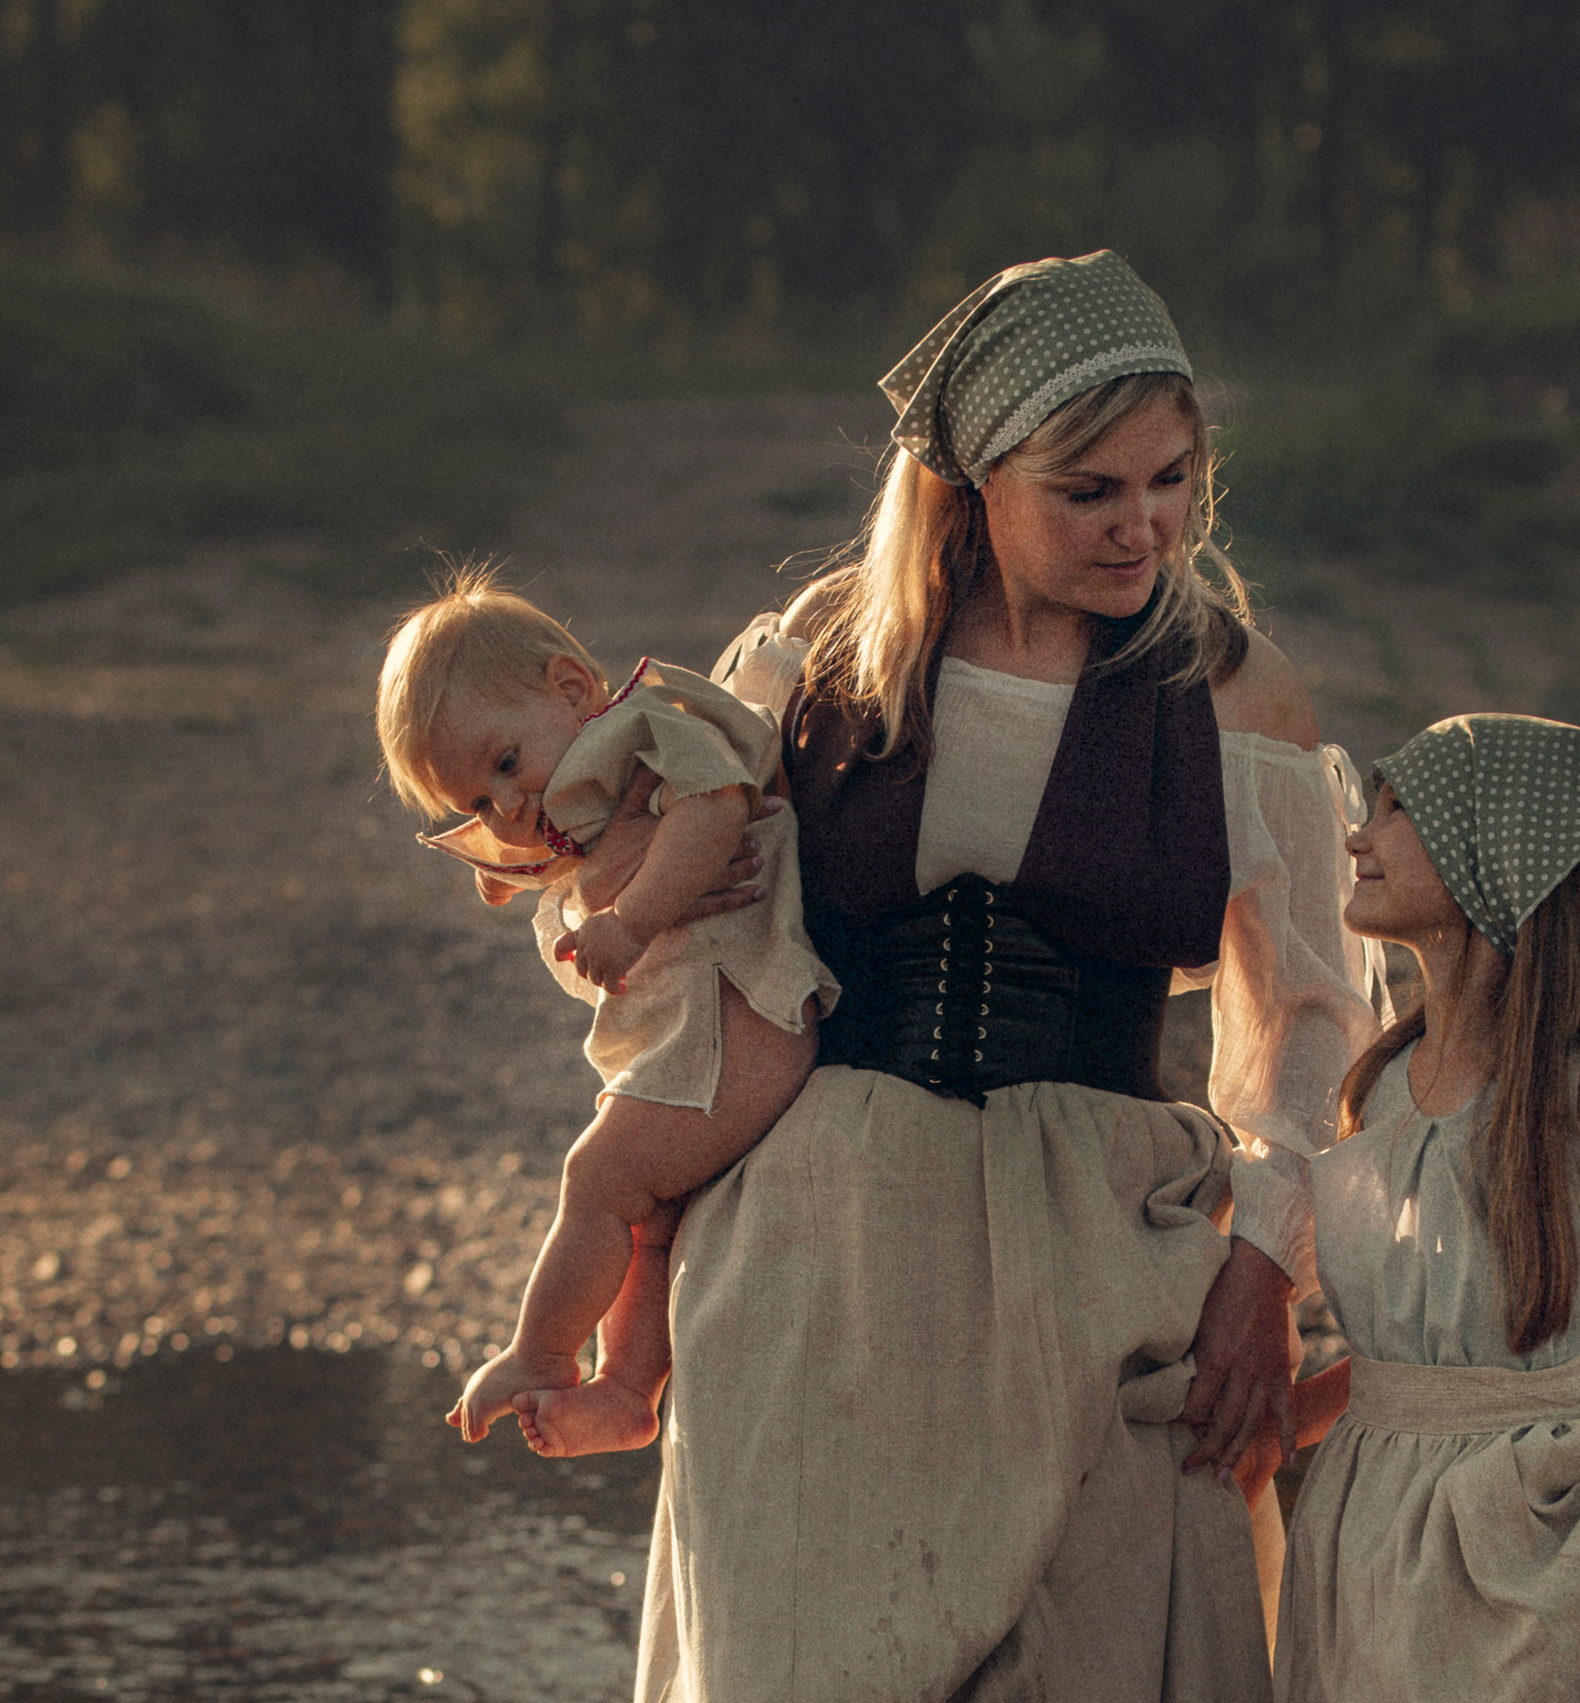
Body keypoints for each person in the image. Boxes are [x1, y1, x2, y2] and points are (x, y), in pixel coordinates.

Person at [620, 249, 1375, 1701]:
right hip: (820, 1240)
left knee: (1099, 1634)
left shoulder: (1229, 686)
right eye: (1088, 489)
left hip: (1101, 1226)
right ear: (971, 484)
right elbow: (703, 964)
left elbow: (1309, 1021)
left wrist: (1266, 1267)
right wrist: (635, 1264)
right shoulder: (822, 663)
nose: (1142, 524)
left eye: (1169, 479)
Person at [1274, 714, 1580, 1703]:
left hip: (1533, 1511)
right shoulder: (1386, 1080)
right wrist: (1283, 1421)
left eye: (1400, 811)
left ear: (1500, 860)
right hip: (1372, 1508)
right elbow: (1427, 1336)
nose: (1360, 833)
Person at [373, 569, 837, 1457]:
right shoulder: (571, 792)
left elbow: (717, 807)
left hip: (738, 1027)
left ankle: (539, 1353)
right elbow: (546, 881)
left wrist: (631, 916)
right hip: (699, 1040)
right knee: (648, 1219)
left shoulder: (651, 726)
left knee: (596, 1180)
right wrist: (519, 856)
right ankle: (628, 1390)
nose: (506, 804)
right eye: (476, 800)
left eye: (506, 765)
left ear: (573, 690)